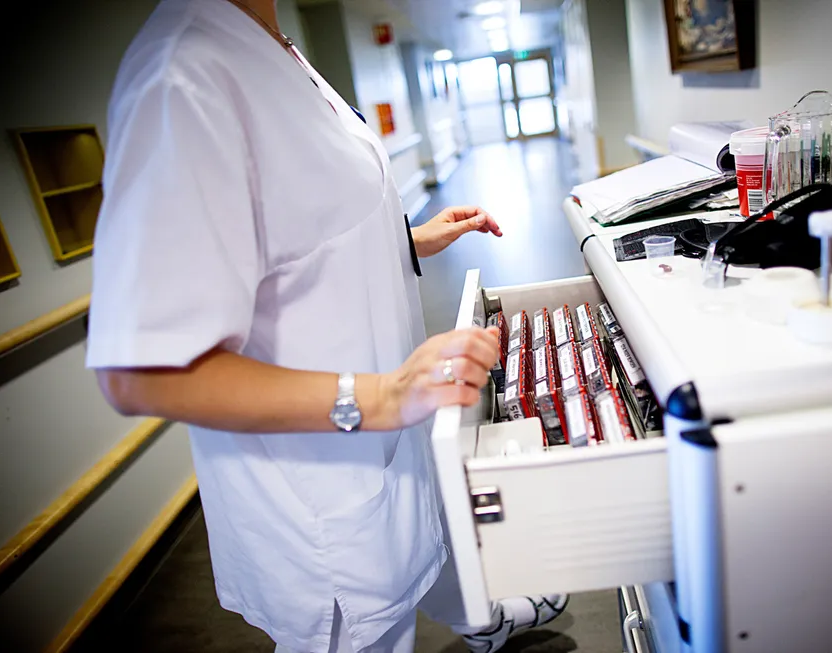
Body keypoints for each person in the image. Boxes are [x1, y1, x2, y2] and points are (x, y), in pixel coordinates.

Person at [86, 0, 568, 652]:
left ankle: (481, 618)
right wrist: (385, 395)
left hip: (385, 438)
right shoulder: (185, 73)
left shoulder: (276, 48)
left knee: (427, 533)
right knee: (369, 620)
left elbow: (297, 235)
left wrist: (411, 238)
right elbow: (142, 367)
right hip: (320, 492)